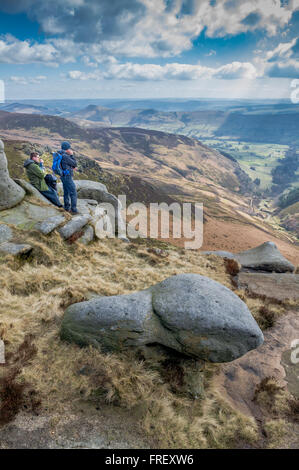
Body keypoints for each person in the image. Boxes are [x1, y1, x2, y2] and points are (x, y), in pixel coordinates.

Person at [59, 141, 78, 214]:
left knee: (66, 192)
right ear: (67, 148)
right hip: (67, 176)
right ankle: (73, 209)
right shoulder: (65, 156)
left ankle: (67, 207)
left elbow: (66, 164)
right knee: (73, 192)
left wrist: (71, 167)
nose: (70, 149)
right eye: (69, 148)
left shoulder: (60, 154)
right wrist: (72, 155)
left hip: (63, 176)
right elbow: (75, 163)